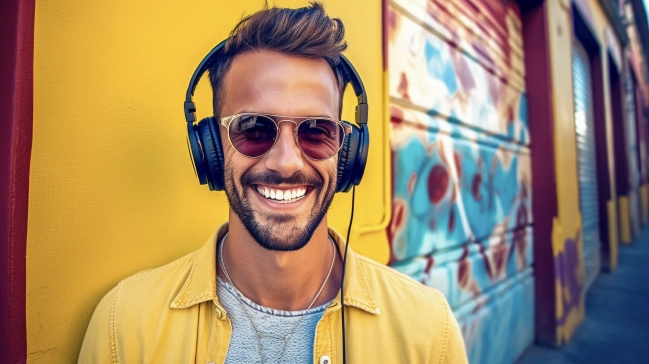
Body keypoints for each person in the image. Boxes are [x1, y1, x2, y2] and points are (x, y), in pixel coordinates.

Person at [78, 2, 467, 363]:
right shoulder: (124, 326)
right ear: (209, 148)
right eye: (253, 128)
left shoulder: (428, 331)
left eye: (316, 131)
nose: (286, 162)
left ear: (348, 153)